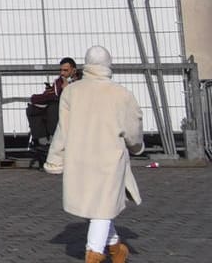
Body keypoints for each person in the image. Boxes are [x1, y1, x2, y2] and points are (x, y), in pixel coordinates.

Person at [45, 46, 145, 263]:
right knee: (102, 208)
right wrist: (137, 147)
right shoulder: (121, 94)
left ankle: (116, 249)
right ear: (109, 63)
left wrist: (55, 159)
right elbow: (133, 129)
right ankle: (94, 254)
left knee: (97, 206)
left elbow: (63, 129)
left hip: (80, 157)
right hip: (110, 158)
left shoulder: (72, 91)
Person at [27, 57, 80, 152]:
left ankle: (51, 139)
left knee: (53, 106)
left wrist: (67, 90)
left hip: (75, 111)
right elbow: (54, 94)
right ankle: (43, 142)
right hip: (62, 109)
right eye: (61, 70)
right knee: (33, 109)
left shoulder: (81, 81)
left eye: (65, 70)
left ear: (74, 70)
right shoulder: (59, 81)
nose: (62, 73)